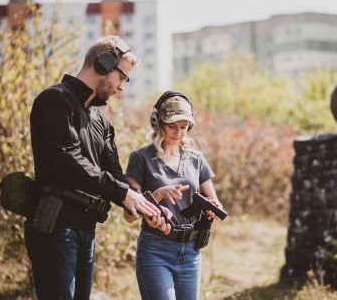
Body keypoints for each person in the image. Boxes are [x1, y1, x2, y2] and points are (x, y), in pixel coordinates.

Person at [25, 35, 165, 300]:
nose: (122, 87)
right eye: (122, 77)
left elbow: (113, 175)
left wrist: (145, 205)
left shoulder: (100, 118)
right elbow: (68, 160)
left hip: (86, 229)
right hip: (55, 226)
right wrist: (123, 194)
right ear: (103, 64)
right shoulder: (54, 100)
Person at [124, 90, 224, 300]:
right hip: (155, 249)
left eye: (184, 127)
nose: (179, 133)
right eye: (172, 126)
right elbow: (129, 216)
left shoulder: (196, 159)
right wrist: (158, 194)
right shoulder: (140, 158)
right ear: (157, 123)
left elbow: (215, 202)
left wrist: (212, 209)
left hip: (191, 251)